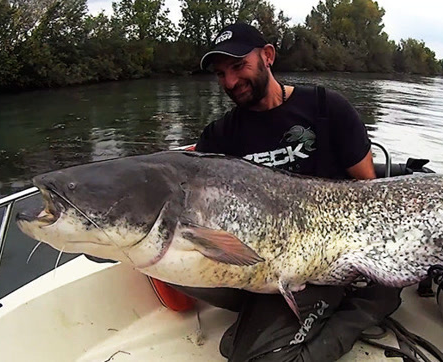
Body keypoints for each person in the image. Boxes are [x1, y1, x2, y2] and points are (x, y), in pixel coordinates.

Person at [169, 23, 402, 361]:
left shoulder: (327, 108)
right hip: (253, 263)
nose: (230, 82)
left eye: (238, 66)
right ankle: (259, 321)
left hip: (322, 263)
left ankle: (365, 307)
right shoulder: (219, 136)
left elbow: (370, 194)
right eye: (221, 74)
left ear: (267, 56)